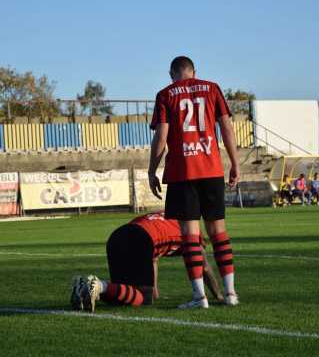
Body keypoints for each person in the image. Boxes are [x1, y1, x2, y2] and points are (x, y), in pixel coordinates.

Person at [148, 56, 239, 309]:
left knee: (190, 236)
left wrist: (151, 170)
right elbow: (227, 128)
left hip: (182, 172)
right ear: (194, 71)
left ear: (171, 74)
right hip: (211, 169)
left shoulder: (165, 94)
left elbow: (162, 136)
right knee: (218, 232)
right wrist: (235, 163)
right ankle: (230, 293)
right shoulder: (212, 88)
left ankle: (200, 297)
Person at [70, 212, 223, 312]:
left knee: (122, 295)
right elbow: (203, 266)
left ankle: (86, 288)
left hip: (118, 236)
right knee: (143, 299)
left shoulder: (163, 217)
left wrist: (154, 290)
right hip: (141, 239)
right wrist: (218, 295)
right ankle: (99, 285)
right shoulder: (190, 230)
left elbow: (154, 258)